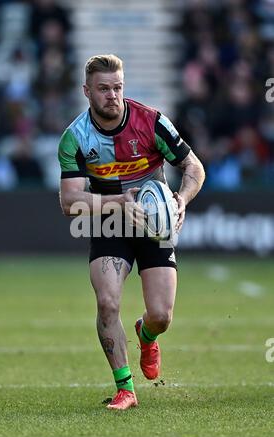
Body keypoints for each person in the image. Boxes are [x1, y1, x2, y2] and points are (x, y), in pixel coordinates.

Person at [58, 54, 205, 410]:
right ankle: (125, 389)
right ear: (87, 91)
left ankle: (146, 333)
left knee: (162, 316)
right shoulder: (75, 138)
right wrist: (120, 201)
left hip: (155, 224)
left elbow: (193, 166)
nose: (112, 95)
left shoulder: (151, 122)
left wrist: (181, 199)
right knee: (107, 301)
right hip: (109, 220)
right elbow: (69, 201)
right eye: (103, 89)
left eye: (118, 87)